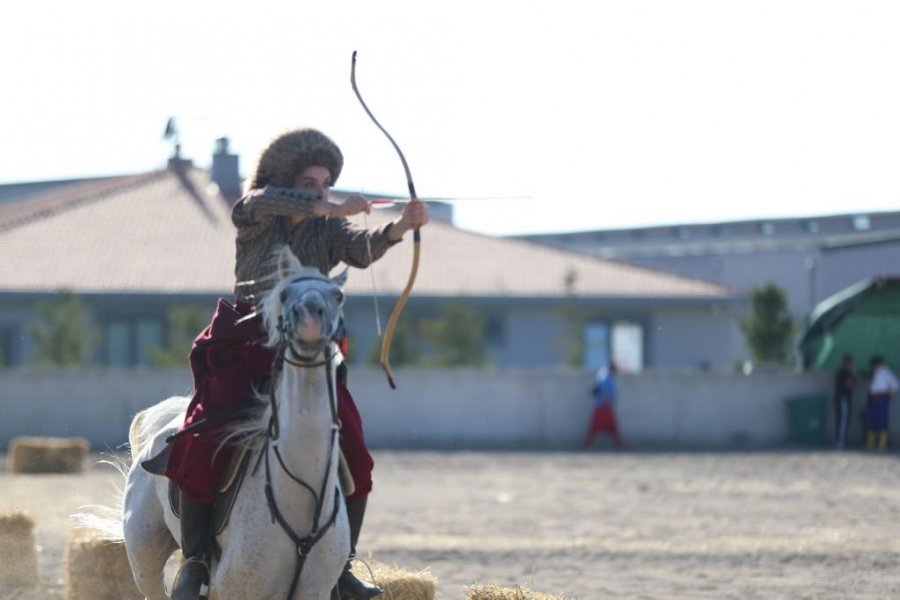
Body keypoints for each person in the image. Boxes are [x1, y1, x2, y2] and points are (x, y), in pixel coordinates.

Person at [162, 128, 429, 599]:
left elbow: (360, 250)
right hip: (246, 346)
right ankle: (197, 562)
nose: (321, 191)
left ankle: (341, 567)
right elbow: (257, 202)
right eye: (310, 182)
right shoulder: (258, 215)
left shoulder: (328, 228)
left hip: (309, 355)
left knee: (358, 459)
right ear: (289, 181)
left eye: (326, 183)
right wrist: (327, 207)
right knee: (202, 443)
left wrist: (399, 228)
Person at [583, 362, 625, 450]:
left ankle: (587, 445)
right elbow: (606, 392)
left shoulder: (602, 375)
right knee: (604, 428)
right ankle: (619, 445)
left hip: (601, 406)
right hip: (604, 407)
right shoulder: (607, 378)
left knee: (607, 428)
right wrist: (609, 404)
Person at [866, 355, 900, 451]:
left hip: (882, 399)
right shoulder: (874, 373)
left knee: (882, 420)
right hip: (873, 398)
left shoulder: (886, 372)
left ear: (879, 364)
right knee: (872, 420)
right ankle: (871, 444)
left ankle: (882, 444)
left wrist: (887, 391)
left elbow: (896, 385)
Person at [833, 354, 856, 449]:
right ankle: (840, 441)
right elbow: (849, 385)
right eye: (851, 362)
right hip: (843, 398)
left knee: (842, 419)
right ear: (847, 363)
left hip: (841, 397)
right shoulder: (845, 372)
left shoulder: (841, 371)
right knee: (844, 419)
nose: (852, 364)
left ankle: (841, 441)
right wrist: (856, 379)